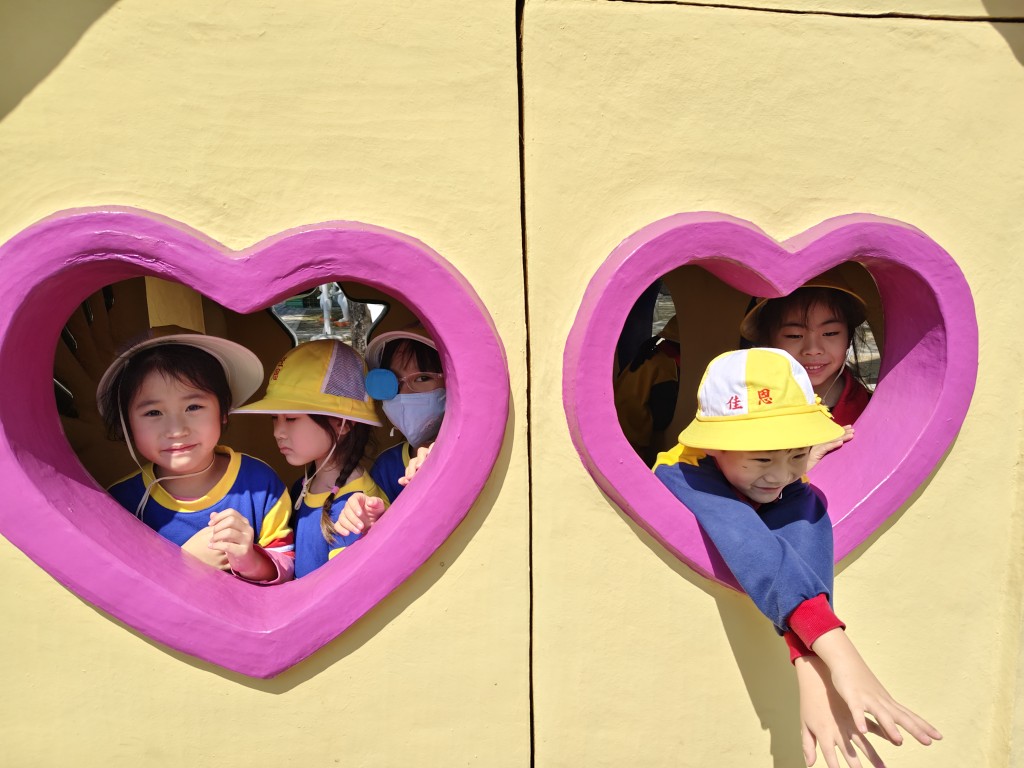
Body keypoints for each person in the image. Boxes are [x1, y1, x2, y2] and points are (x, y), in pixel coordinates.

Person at [653, 348, 940, 767]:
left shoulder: (783, 482)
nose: (780, 475)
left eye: (797, 454)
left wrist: (810, 662)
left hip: (804, 633)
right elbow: (748, 542)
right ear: (714, 447)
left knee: (809, 505)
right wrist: (837, 655)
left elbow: (800, 541)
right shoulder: (683, 476)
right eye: (762, 458)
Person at [97, 327, 295, 584]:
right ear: (127, 424)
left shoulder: (259, 484)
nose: (176, 430)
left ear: (223, 411)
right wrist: (182, 563)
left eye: (193, 407)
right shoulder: (119, 503)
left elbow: (287, 565)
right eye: (153, 413)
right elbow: (118, 586)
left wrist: (252, 561)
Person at [233, 339, 388, 578]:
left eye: (291, 419)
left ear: (342, 423)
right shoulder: (302, 487)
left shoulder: (356, 513)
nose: (278, 432)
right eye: (274, 418)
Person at [740, 268, 872, 429]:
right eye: (794, 335)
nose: (813, 349)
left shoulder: (874, 409)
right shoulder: (745, 411)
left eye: (830, 333)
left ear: (848, 337)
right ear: (768, 341)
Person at [614, 315, 680, 465]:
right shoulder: (665, 365)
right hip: (634, 437)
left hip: (619, 429)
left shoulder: (649, 355)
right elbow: (663, 418)